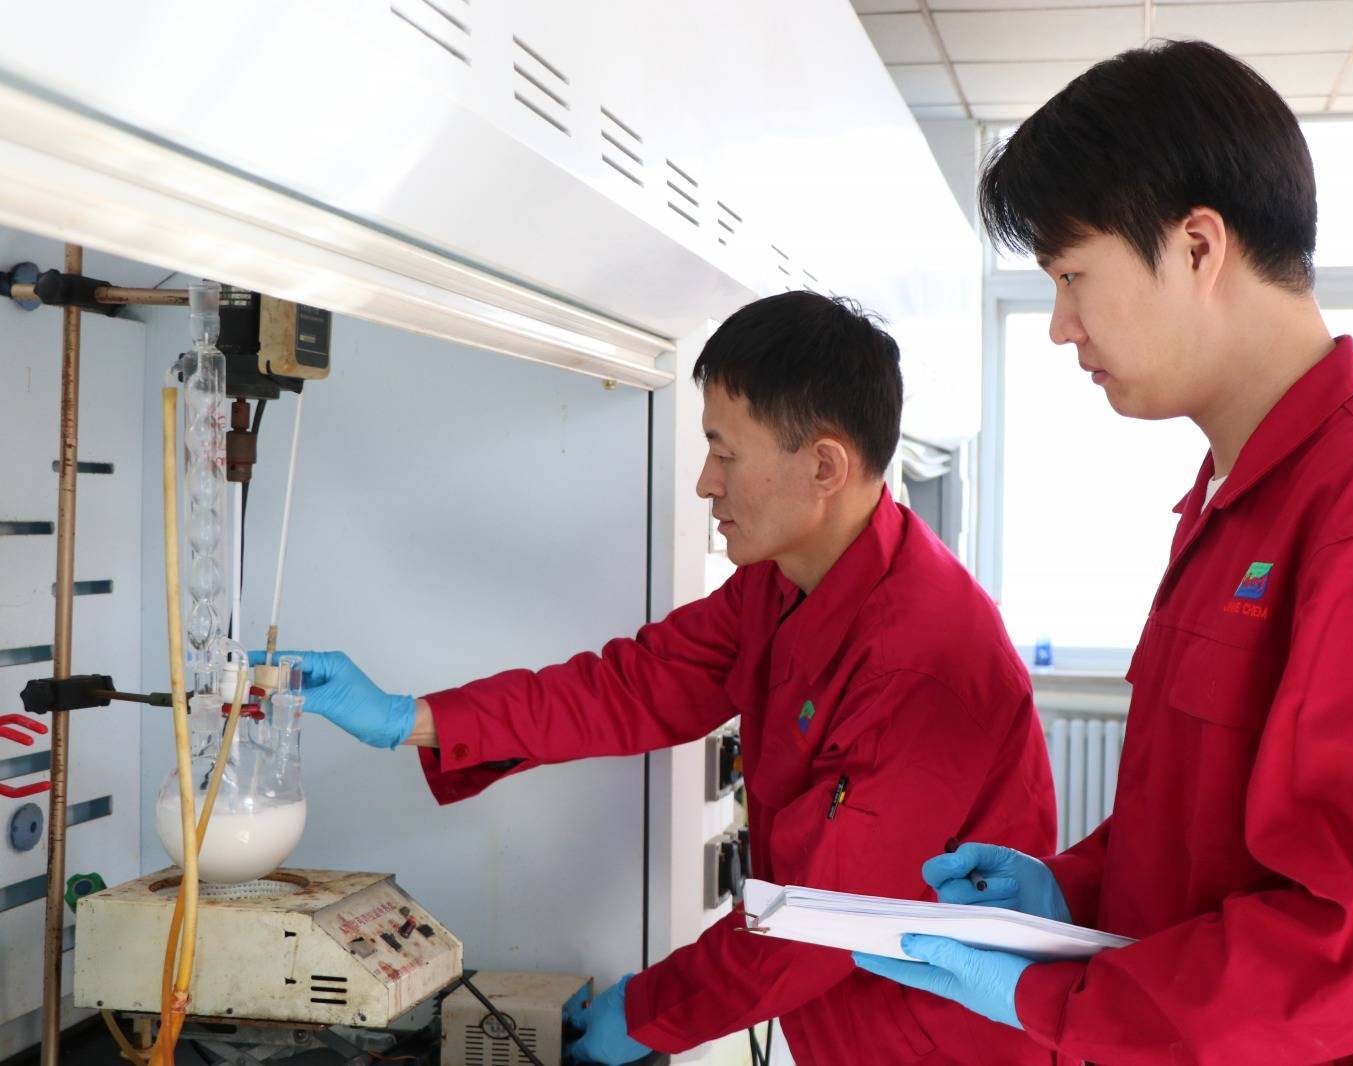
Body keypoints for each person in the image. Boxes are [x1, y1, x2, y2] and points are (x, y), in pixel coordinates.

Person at [855, 40, 1353, 1065]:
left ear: (1196, 247)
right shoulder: (1234, 502)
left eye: (1072, 276)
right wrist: (1073, 892)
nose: (1059, 327)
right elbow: (1208, 835)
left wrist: (1058, 999)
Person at [265, 291, 1058, 1065]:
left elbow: (823, 922)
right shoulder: (784, 581)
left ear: (824, 466)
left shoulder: (923, 663)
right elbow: (631, 686)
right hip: (843, 1021)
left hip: (938, 1040)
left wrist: (647, 1013)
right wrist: (411, 718)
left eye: (725, 453)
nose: (706, 482)